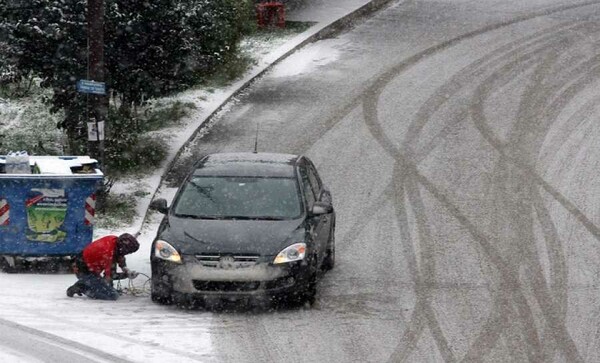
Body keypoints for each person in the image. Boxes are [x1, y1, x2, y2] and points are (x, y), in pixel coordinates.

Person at [66, 233, 140, 300]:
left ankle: (86, 283)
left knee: (108, 288)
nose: (127, 254)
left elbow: (119, 257)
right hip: (82, 269)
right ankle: (81, 287)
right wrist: (127, 275)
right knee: (112, 295)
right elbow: (111, 276)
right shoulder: (108, 253)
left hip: (85, 264)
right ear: (123, 248)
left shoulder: (115, 241)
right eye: (128, 252)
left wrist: (125, 269)